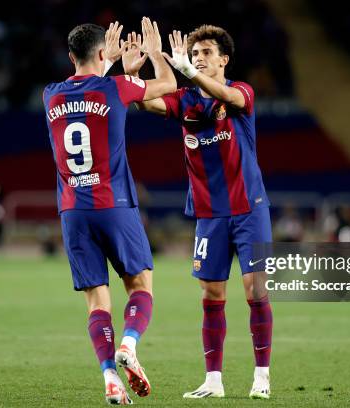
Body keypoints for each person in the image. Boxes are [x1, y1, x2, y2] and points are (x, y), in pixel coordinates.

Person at [123, 25, 273, 399]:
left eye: (208, 52)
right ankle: (213, 381)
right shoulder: (186, 101)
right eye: (196, 53)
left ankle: (262, 376)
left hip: (250, 209)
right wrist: (139, 68)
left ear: (224, 59)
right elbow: (145, 102)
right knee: (210, 295)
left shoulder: (241, 93)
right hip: (210, 214)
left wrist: (187, 71)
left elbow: (226, 95)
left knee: (255, 290)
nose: (201, 57)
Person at [42, 18, 176, 405]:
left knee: (97, 301)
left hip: (72, 211)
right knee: (140, 284)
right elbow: (167, 87)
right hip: (113, 204)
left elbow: (85, 92)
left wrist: (108, 62)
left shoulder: (49, 94)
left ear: (71, 57)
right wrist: (152, 55)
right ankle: (130, 345)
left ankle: (110, 378)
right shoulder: (116, 87)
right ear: (104, 53)